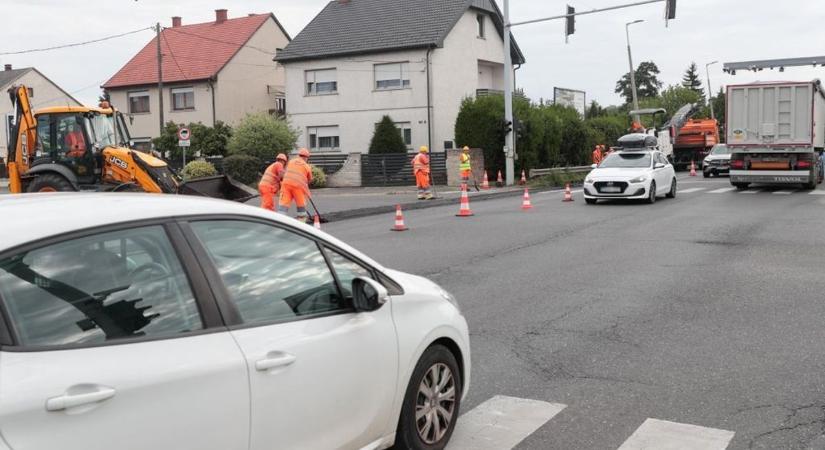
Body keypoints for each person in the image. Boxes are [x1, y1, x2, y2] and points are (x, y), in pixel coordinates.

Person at [278, 148, 313, 220]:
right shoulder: (306, 166)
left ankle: (280, 220)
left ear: (299, 155)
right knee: (301, 204)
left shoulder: (291, 162)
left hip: (286, 185)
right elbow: (309, 180)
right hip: (298, 186)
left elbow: (287, 172)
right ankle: (302, 221)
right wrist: (306, 185)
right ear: (306, 157)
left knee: (283, 205)